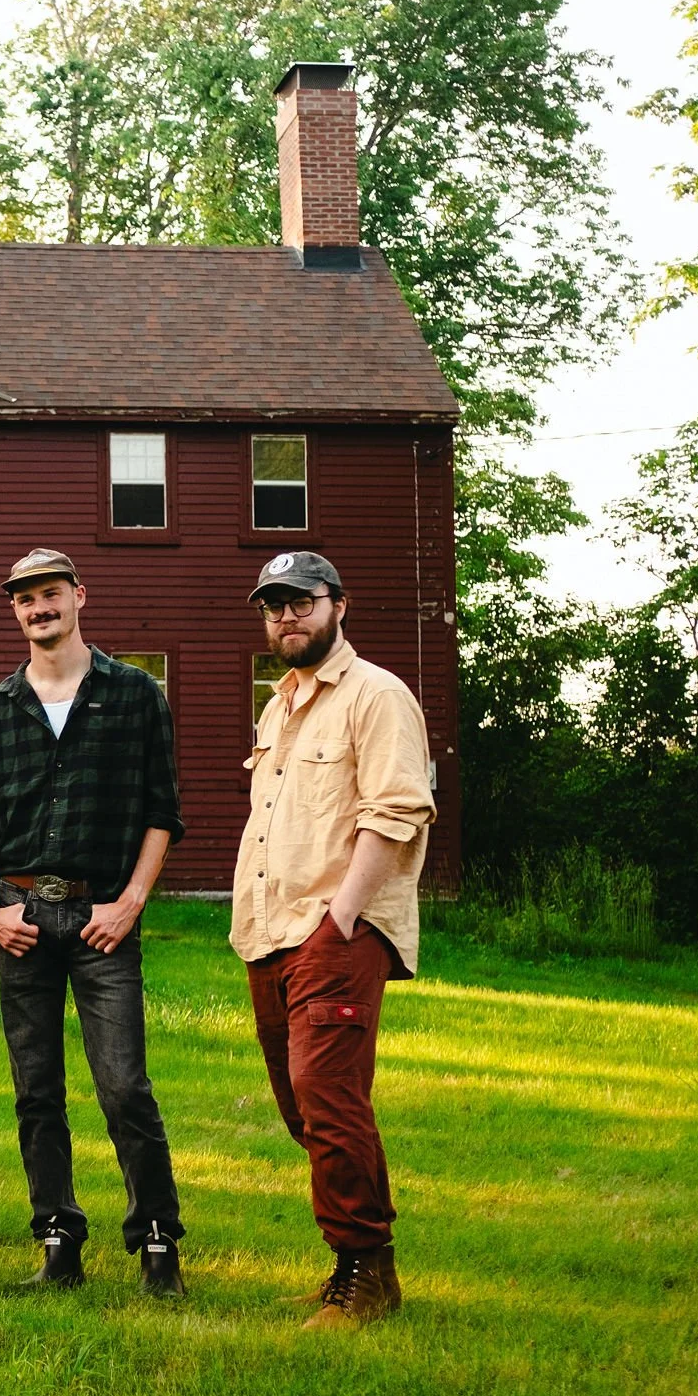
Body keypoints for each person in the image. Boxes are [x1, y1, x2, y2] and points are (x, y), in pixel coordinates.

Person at [0, 548, 187, 1296]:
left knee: (123, 1085)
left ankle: (157, 1243)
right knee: (36, 1091)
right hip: (22, 917)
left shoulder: (135, 695)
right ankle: (58, 1242)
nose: (39, 608)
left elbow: (162, 811)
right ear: (15, 611)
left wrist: (130, 903)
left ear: (79, 597)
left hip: (102, 917)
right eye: (25, 599)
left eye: (51, 594)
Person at [233, 550, 435, 1330]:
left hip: (336, 933)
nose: (287, 616)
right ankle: (363, 1273)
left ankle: (361, 1270)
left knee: (329, 1099)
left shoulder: (376, 695)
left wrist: (342, 918)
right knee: (304, 1109)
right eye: (273, 605)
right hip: (269, 933)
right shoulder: (280, 704)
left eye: (301, 602)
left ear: (338, 605)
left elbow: (396, 810)